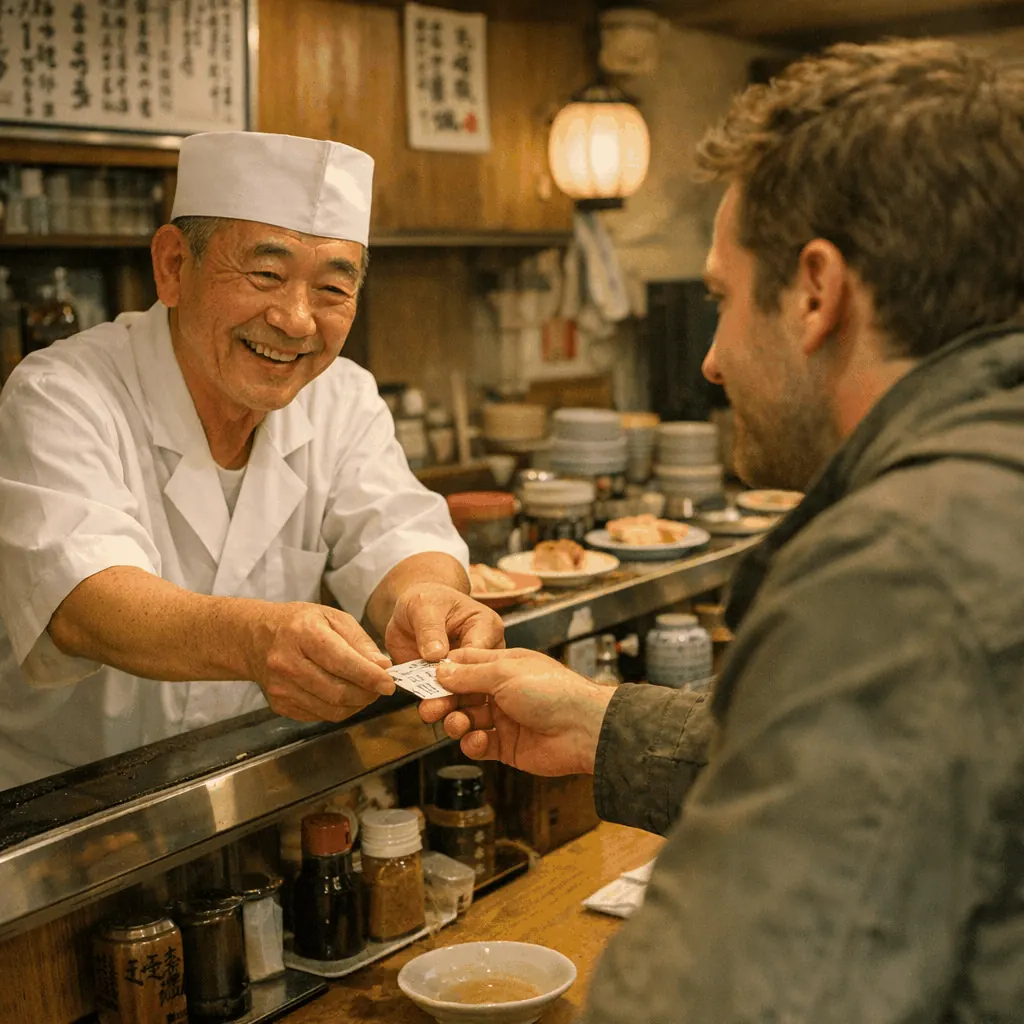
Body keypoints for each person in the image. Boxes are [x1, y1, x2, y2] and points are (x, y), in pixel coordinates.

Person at [421, 39, 1024, 1022]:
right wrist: (598, 723)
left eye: (721, 298)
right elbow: (885, 783)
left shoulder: (899, 567)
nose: (707, 360)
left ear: (817, 292)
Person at [0, 131, 502, 789]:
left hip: (255, 792)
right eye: (266, 275)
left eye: (331, 289)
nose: (297, 321)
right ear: (174, 265)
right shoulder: (64, 392)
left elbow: (398, 533)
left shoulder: (340, 396)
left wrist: (431, 600)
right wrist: (259, 639)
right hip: (72, 808)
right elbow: (81, 600)